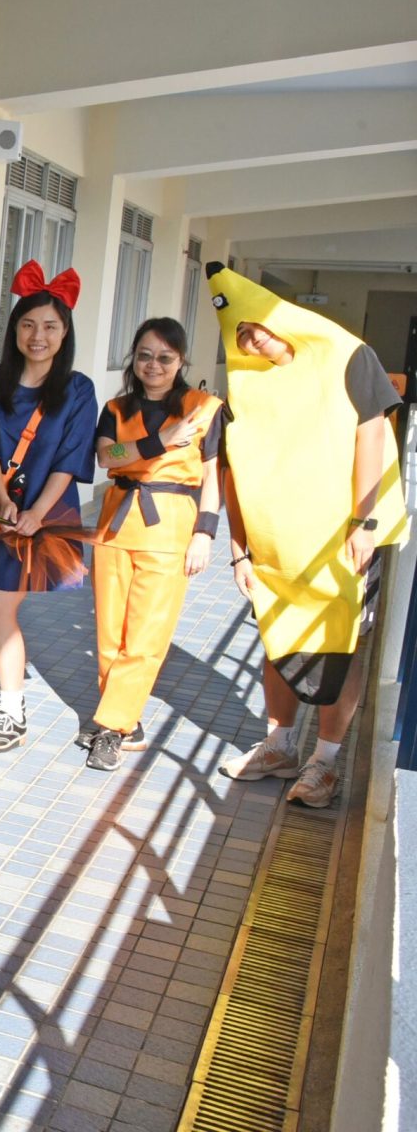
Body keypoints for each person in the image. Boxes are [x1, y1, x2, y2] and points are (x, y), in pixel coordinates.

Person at [209, 264, 406, 807]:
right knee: (280, 636)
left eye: (257, 326)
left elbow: (371, 434)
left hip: (345, 537)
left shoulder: (347, 356)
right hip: (279, 544)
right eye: (239, 335)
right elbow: (236, 470)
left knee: (342, 640)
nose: (251, 340)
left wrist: (364, 521)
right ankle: (280, 746)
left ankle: (326, 761)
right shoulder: (247, 389)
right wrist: (239, 550)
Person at [0, 263, 98, 754]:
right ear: (14, 329)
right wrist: (2, 499)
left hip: (41, 517)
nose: (38, 336)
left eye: (50, 326)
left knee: (0, 608)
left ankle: (13, 714)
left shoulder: (78, 390)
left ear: (65, 333)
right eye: (29, 324)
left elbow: (70, 459)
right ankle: (5, 692)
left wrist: (35, 513)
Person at [82, 318, 224, 771]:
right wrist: (160, 441)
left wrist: (205, 532)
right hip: (115, 524)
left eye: (165, 357)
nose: (154, 365)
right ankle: (124, 719)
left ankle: (112, 726)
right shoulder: (117, 408)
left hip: (170, 526)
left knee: (147, 634)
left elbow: (213, 477)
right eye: (145, 355)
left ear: (181, 360)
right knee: (110, 630)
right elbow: (106, 457)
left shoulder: (204, 409)